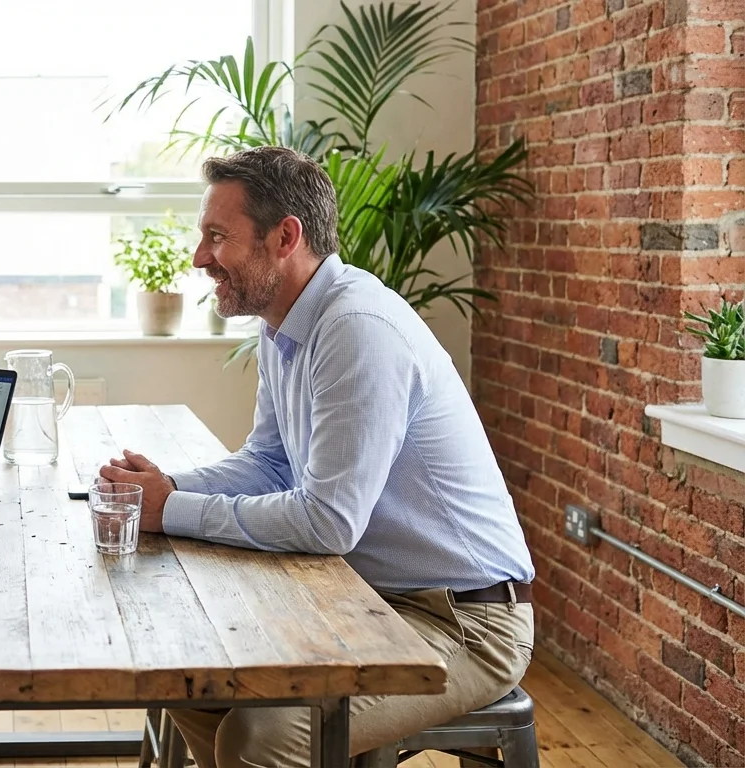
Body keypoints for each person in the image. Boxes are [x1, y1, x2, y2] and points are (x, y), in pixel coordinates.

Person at [98, 146, 536, 768]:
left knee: (265, 738)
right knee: (192, 686)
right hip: (371, 598)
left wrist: (171, 511)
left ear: (286, 237)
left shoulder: (356, 328)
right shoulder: (283, 325)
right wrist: (164, 487)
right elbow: (269, 463)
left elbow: (329, 522)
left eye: (217, 237)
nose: (200, 258)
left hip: (465, 619)